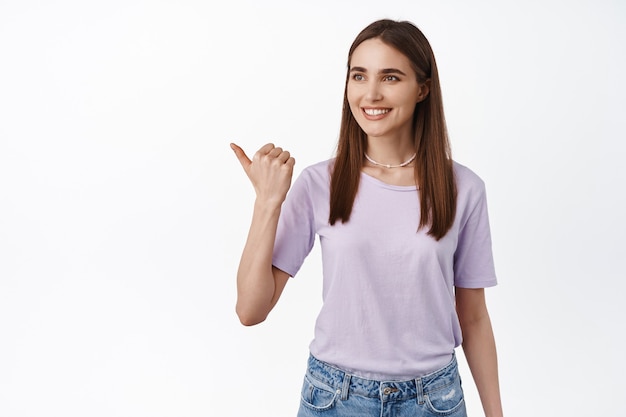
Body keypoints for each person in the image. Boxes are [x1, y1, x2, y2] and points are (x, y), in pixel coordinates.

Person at [230, 19, 503, 417]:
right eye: (359, 76)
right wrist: (268, 202)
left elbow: (474, 317)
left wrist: (496, 413)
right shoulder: (319, 183)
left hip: (434, 401)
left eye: (390, 77)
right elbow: (250, 311)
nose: (370, 93)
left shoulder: (464, 188)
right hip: (334, 398)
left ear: (422, 88)